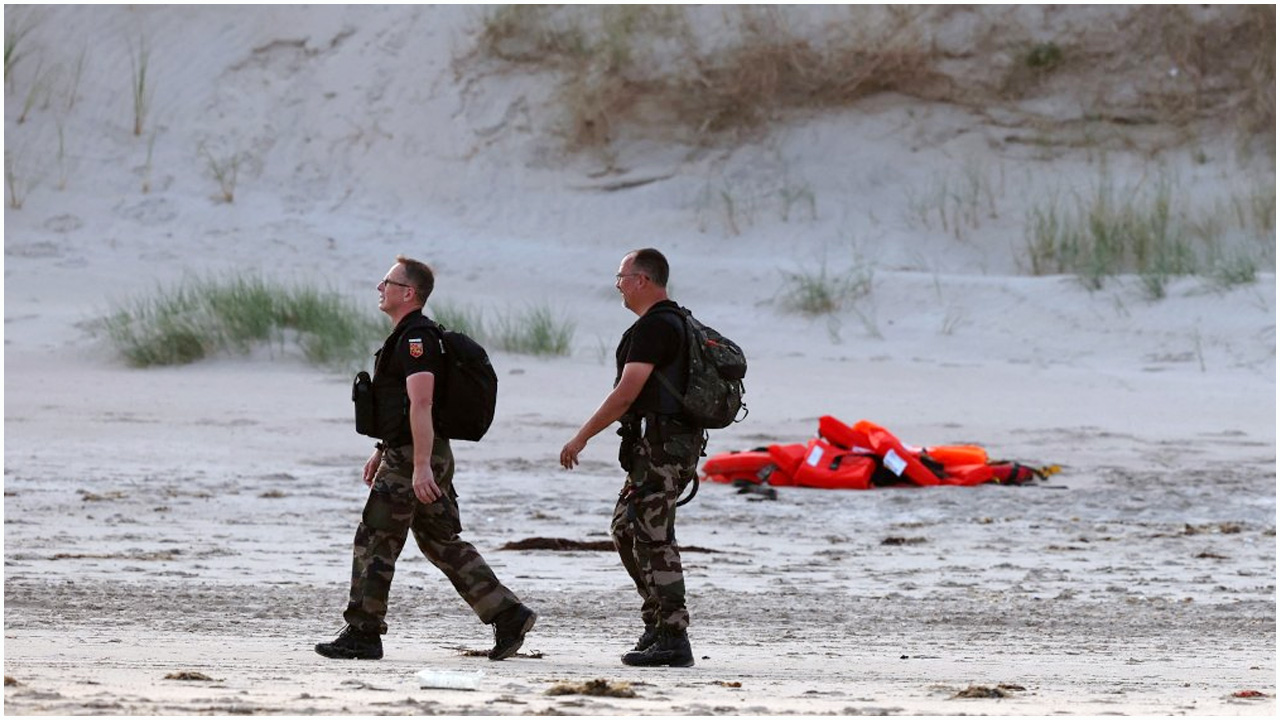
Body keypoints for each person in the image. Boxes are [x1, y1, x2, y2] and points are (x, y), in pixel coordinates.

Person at [316, 255, 536, 661]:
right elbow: (401, 409)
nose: (379, 288)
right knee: (440, 541)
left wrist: (417, 466)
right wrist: (382, 449)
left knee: (376, 537)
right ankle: (508, 615)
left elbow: (421, 403)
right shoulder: (407, 337)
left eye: (387, 282)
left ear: (409, 292)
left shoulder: (416, 340)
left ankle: (363, 632)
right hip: (417, 451)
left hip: (418, 455)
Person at [559, 248, 704, 668]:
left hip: (663, 450)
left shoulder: (656, 327)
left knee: (654, 538)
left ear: (642, 280)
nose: (618, 285)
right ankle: (657, 622)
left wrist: (581, 438)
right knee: (626, 528)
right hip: (662, 449)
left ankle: (673, 636)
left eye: (621, 277)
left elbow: (626, 393)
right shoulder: (673, 321)